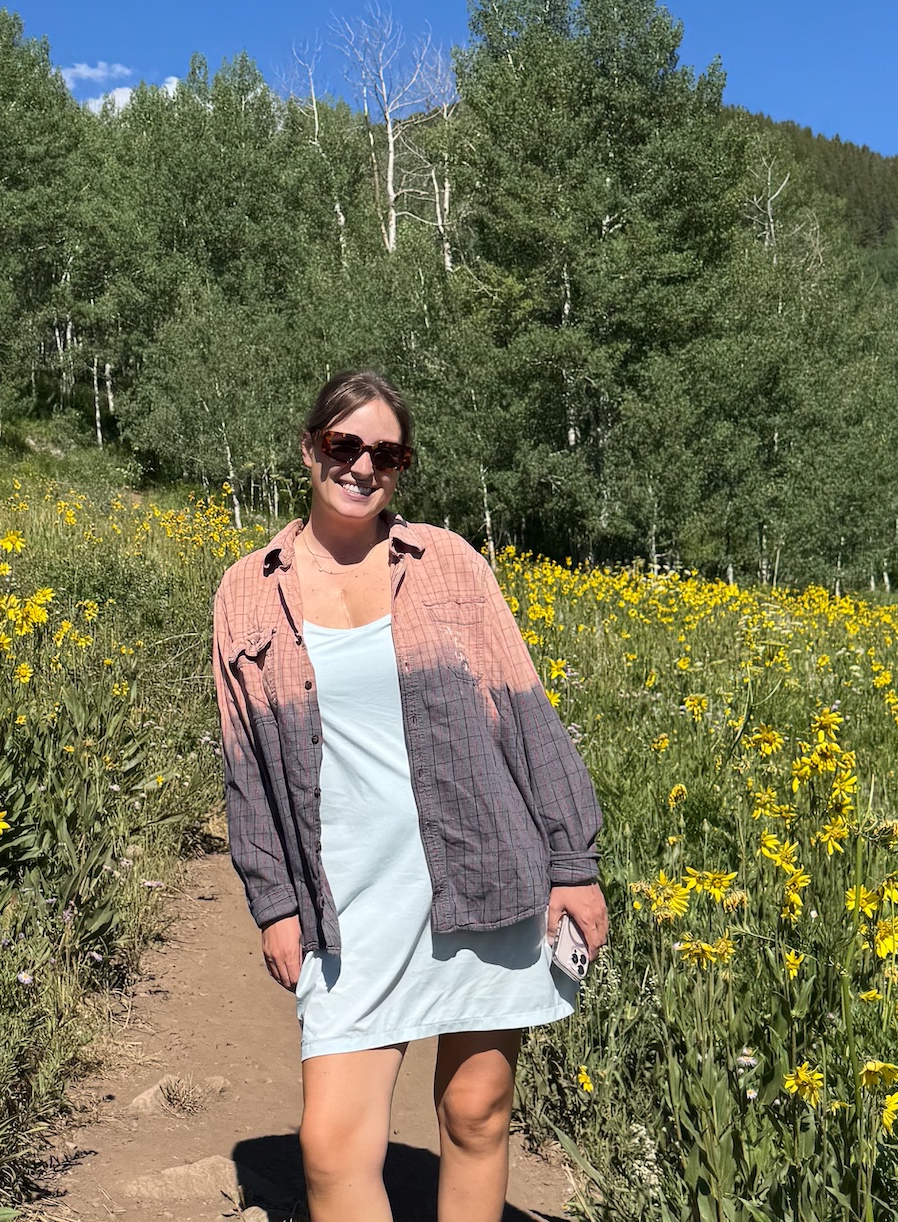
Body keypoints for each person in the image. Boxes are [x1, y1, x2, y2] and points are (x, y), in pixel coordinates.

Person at [210, 370, 609, 1222]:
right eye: (343, 445)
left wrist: (574, 863)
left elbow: (523, 709)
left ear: (403, 466)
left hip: (481, 869)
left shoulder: (449, 565)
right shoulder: (249, 589)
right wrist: (274, 903)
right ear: (308, 448)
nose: (361, 466)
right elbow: (245, 760)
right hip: (349, 899)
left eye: (385, 453)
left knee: (475, 1114)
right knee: (331, 1147)